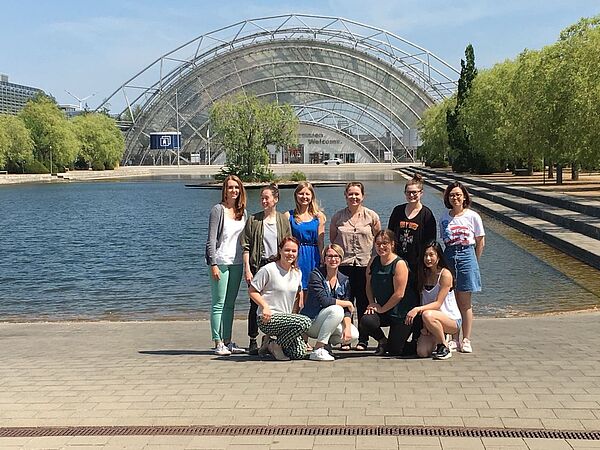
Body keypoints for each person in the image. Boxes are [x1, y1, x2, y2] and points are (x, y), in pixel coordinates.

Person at [387, 173, 437, 348]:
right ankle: (398, 330)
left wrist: (427, 264)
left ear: (421, 193)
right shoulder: (398, 211)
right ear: (405, 193)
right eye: (409, 192)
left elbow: (431, 243)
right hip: (399, 263)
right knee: (399, 295)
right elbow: (390, 235)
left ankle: (418, 334)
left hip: (417, 265)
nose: (412, 195)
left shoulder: (427, 214)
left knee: (417, 298)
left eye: (415, 192)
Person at [241, 184, 291, 354]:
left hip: (277, 265)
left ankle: (272, 338)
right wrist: (247, 269)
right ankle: (253, 339)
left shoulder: (283, 220)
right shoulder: (253, 220)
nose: (263, 201)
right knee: (254, 303)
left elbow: (288, 244)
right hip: (259, 265)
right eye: (262, 197)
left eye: (267, 197)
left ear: (275, 199)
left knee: (276, 302)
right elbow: (246, 247)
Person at [330, 182, 381, 350]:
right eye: (350, 194)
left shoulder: (371, 216)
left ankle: (363, 339)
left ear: (362, 196)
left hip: (365, 265)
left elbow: (379, 240)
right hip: (344, 266)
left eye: (357, 194)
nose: (353, 197)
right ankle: (346, 337)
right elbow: (333, 240)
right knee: (345, 302)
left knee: (364, 302)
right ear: (345, 195)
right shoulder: (338, 217)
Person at [440, 182, 485, 353]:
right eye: (452, 195)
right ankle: (454, 338)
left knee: (465, 302)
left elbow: (480, 242)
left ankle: (466, 339)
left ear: (464, 196)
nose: (455, 198)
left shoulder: (473, 216)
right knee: (450, 301)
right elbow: (445, 240)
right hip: (449, 256)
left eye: (458, 194)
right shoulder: (444, 217)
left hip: (467, 255)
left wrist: (474, 260)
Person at [248, 237, 312, 360]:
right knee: (305, 322)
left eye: (294, 251)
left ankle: (269, 344)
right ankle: (276, 345)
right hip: (268, 318)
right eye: (287, 250)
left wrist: (294, 315)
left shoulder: (297, 272)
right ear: (280, 251)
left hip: (286, 320)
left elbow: (296, 297)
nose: (290, 254)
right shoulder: (269, 269)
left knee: (299, 353)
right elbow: (252, 291)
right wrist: (264, 306)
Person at [205, 175, 247, 356]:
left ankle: (228, 341)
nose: (233, 191)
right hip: (221, 262)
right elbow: (211, 240)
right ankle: (218, 342)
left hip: (236, 262)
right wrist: (212, 263)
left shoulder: (242, 212)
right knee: (218, 303)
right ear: (224, 190)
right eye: (230, 187)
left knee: (230, 304)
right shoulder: (218, 210)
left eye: (236, 188)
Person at [360, 229, 418, 356]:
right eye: (378, 243)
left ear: (392, 244)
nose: (381, 246)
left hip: (401, 312)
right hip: (383, 309)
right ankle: (382, 340)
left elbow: (399, 294)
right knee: (366, 321)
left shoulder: (399, 263)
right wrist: (371, 304)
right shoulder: (373, 261)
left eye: (385, 243)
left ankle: (419, 342)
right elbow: (368, 285)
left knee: (395, 350)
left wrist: (381, 309)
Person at [405, 241, 462, 360]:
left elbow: (438, 304)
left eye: (431, 255)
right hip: (430, 319)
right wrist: (425, 327)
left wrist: (417, 309)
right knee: (422, 352)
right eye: (425, 255)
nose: (428, 258)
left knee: (427, 314)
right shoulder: (423, 274)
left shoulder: (445, 274)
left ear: (439, 256)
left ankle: (444, 346)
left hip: (451, 320)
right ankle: (439, 335)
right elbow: (423, 300)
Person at [301, 244, 359, 361]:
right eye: (330, 256)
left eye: (337, 256)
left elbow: (347, 311)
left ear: (341, 259)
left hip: (328, 321)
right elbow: (325, 301)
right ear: (324, 259)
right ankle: (318, 349)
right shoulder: (316, 275)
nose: (333, 259)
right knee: (336, 310)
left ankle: (326, 344)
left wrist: (347, 327)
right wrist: (347, 303)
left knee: (353, 334)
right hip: (312, 321)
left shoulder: (344, 280)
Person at [285, 182, 326, 292]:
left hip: (314, 255)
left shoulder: (319, 216)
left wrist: (322, 258)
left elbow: (321, 241)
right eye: (301, 194)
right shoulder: (289, 215)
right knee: (296, 289)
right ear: (296, 195)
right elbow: (286, 241)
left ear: (312, 196)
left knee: (313, 289)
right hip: (296, 255)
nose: (304, 197)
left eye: (307, 194)